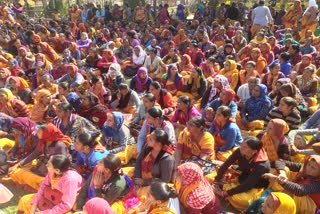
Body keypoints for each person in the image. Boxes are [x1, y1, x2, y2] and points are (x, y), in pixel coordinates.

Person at [8, 123, 72, 190]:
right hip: (47, 164)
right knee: (17, 172)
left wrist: (52, 175)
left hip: (57, 169)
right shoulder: (43, 141)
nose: (36, 133)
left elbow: (62, 163)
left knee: (44, 182)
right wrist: (18, 164)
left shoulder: (59, 145)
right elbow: (35, 154)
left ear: (46, 133)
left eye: (39, 132)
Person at [214, 137, 270, 211]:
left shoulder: (261, 165)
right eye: (241, 145)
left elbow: (248, 185)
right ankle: (226, 188)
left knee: (243, 201)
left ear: (254, 151)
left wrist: (225, 193)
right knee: (217, 174)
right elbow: (227, 163)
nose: (241, 148)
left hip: (255, 186)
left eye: (245, 147)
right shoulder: (240, 150)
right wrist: (217, 180)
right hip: (243, 176)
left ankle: (226, 189)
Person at [17, 154, 84, 213]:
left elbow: (67, 205)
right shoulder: (53, 171)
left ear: (57, 170)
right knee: (25, 200)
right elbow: (44, 185)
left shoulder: (70, 180)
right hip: (52, 195)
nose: (46, 165)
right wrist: (35, 202)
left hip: (67, 202)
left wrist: (44, 213)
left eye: (48, 165)